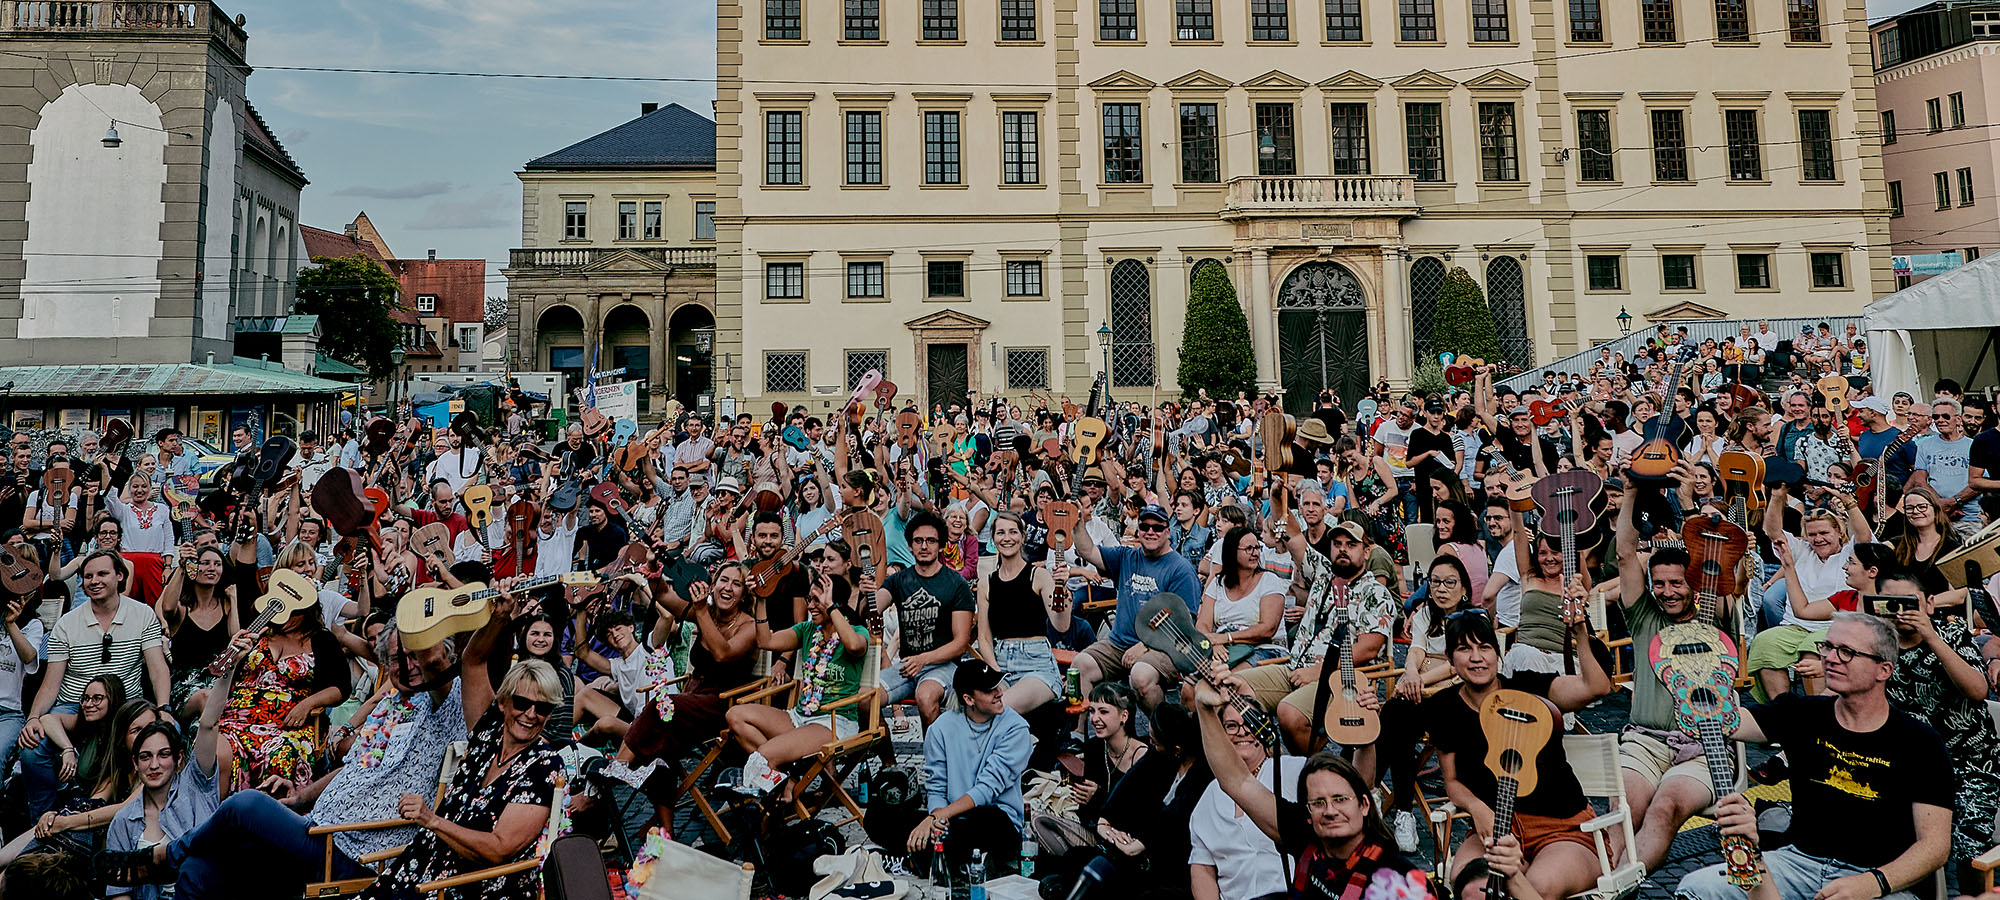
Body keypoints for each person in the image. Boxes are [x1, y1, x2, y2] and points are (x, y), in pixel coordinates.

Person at [142, 569, 513, 899]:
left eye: (416, 655)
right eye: (397, 660)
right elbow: (353, 767)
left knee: (245, 806)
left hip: (356, 852)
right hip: (317, 831)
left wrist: (495, 619)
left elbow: (470, 661)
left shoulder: (448, 704)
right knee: (198, 873)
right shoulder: (390, 705)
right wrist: (301, 795)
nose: (408, 666)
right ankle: (176, 861)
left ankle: (164, 855)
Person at [1676, 614, 1952, 900]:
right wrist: (1698, 680)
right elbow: (1726, 721)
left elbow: (1934, 847)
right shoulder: (1802, 712)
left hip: (1881, 877)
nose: (1831, 658)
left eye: (1847, 652)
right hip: (1797, 863)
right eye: (1827, 647)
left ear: (1883, 670)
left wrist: (1872, 883)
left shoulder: (1920, 742)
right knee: (1696, 889)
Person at [1415, 601, 1611, 900]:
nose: (1477, 658)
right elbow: (1452, 781)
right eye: (1464, 649)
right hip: (1497, 826)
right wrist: (1478, 809)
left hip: (1560, 829)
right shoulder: (1444, 707)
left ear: (1499, 654)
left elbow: (1596, 688)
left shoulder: (1528, 688)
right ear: (1451, 661)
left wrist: (1581, 632)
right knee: (1471, 889)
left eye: (1484, 647)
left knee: (1536, 887)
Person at [1194, 668, 1432, 900]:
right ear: (1307, 813)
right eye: (1318, 803)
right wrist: (1205, 709)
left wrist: (1364, 730)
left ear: (1364, 805)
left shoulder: (1399, 880)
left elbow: (1361, 779)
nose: (1329, 810)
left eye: (1340, 799)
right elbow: (1237, 782)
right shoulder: (1307, 837)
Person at [351, 659, 566, 900]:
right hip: (421, 873)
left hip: (473, 888)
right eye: (522, 703)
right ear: (504, 702)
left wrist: (431, 820)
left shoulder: (545, 767)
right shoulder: (485, 740)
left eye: (543, 708)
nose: (531, 714)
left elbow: (499, 849)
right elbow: (473, 661)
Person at [1609, 493, 1739, 870]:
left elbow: (1735, 571)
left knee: (1665, 806)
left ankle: (1621, 885)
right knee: (1624, 806)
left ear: (1694, 584)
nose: (1667, 592)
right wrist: (1633, 492)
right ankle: (1603, 884)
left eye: (1677, 583)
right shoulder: (1644, 617)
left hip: (1704, 748)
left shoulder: (1714, 614)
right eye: (1660, 583)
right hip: (1644, 741)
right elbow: (1624, 555)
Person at [19, 552, 170, 820]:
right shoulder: (67, 623)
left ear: (119, 576)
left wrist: (164, 707)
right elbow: (50, 683)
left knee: (170, 731)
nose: (94, 581)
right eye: (88, 576)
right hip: (77, 706)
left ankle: (152, 818)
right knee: (32, 747)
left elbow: (157, 667)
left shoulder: (142, 613)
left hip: (126, 707)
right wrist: (33, 718)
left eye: (102, 574)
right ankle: (43, 823)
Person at [1873, 570, 1999, 889]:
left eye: (1909, 603)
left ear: (1929, 604)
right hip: (1910, 766)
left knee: (1969, 848)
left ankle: (1973, 895)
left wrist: (1931, 637)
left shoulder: (1953, 636)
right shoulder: (1877, 649)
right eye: (1892, 604)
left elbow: (1978, 690)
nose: (1901, 613)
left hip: (1971, 764)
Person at [99, 633, 232, 899]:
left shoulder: (197, 787)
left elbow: (208, 724)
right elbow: (119, 893)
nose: (155, 764)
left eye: (163, 755)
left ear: (179, 758)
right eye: (146, 757)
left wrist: (230, 667)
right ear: (135, 763)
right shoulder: (123, 821)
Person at [728, 568, 868, 796]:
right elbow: (766, 641)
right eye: (809, 599)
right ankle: (788, 772)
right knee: (735, 715)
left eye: (816, 600)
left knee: (764, 756)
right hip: (800, 715)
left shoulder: (857, 631)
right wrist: (761, 601)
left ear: (836, 603)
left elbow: (853, 646)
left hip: (834, 721)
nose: (810, 605)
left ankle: (778, 794)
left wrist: (831, 606)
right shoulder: (807, 630)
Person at [905, 660, 1033, 874]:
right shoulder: (940, 729)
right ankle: (951, 855)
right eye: (989, 690)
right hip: (953, 819)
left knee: (985, 821)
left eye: (998, 686)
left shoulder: (1016, 728)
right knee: (880, 817)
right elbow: (936, 787)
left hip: (997, 820)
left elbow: (987, 789)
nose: (999, 693)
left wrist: (938, 817)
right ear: (968, 699)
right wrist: (937, 820)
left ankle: (932, 856)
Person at [1070, 503, 1202, 709]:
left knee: (1141, 676)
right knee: (1080, 666)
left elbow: (1184, 625)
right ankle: (1079, 735)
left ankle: (1160, 735)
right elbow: (1087, 550)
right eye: (1145, 526)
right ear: (1137, 530)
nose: (1150, 532)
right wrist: (1077, 524)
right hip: (1118, 643)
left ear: (1168, 531)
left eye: (1157, 527)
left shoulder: (1181, 569)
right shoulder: (1126, 556)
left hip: (1162, 648)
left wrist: (1144, 646)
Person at [213, 599, 348, 795]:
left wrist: (308, 704)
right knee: (220, 747)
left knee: (278, 752)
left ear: (308, 611)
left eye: (295, 612)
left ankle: (271, 816)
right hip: (237, 716)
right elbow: (225, 673)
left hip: (287, 722)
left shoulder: (321, 640)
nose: (287, 617)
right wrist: (235, 652)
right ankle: (221, 816)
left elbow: (340, 687)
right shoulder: (258, 631)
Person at [874, 511, 974, 726]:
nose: (924, 546)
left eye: (931, 541)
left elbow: (960, 644)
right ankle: (888, 759)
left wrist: (923, 659)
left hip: (943, 666)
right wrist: (868, 594)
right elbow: (873, 609)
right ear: (910, 545)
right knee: (867, 697)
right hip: (908, 666)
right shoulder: (900, 580)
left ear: (940, 546)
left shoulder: (956, 584)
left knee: (925, 697)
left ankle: (934, 759)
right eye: (918, 541)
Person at [976, 512, 1067, 715]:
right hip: (1000, 663)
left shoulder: (1039, 576)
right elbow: (984, 637)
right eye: (1000, 532)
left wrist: (1062, 590)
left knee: (1001, 708)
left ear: (1023, 537)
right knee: (974, 707)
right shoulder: (986, 584)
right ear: (993, 539)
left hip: (1037, 665)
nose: (1007, 538)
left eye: (1012, 532)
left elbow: (1061, 624)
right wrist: (995, 673)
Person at [1199, 525, 1288, 668]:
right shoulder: (1217, 583)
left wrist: (1225, 638)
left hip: (1265, 649)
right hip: (1224, 648)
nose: (1255, 553)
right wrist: (1213, 643)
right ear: (1232, 552)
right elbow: (1202, 624)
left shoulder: (1269, 581)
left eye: (1257, 548)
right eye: (1248, 549)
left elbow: (1267, 629)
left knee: (1228, 679)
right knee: (1190, 684)